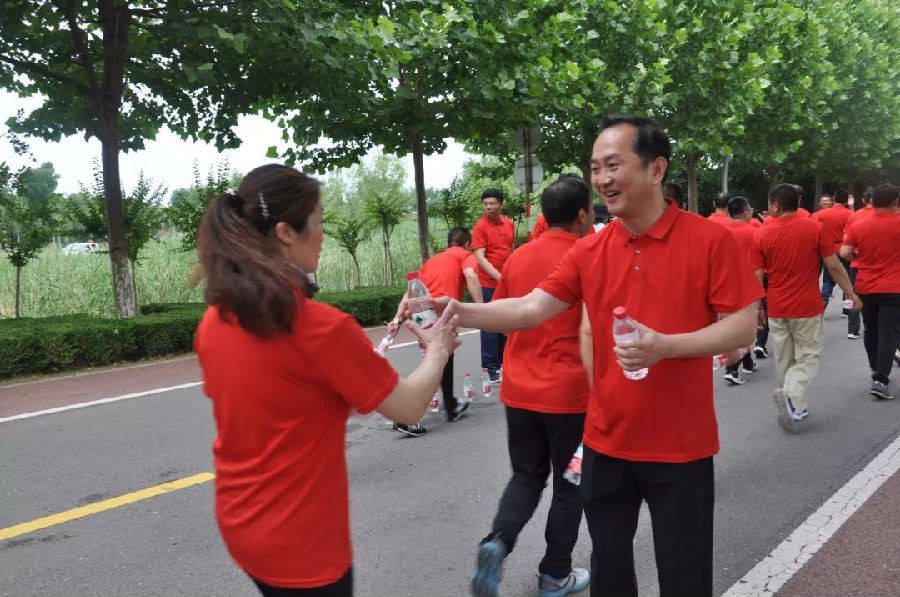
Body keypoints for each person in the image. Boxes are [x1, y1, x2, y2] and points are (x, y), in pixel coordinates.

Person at [439, 115, 762, 597]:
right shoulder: (590, 250)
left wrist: (666, 346)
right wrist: (456, 310)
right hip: (606, 442)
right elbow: (530, 308)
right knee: (608, 574)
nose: (602, 179)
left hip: (681, 444)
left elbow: (742, 325)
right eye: (595, 168)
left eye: (613, 165)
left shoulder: (709, 240)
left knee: (685, 575)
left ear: (656, 169)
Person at [194, 164, 460, 597]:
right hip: (303, 545)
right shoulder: (320, 329)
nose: (322, 236)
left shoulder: (215, 319)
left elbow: (284, 399)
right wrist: (439, 349)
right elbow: (410, 406)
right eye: (318, 224)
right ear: (286, 232)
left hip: (240, 521)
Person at [470, 175, 594, 597]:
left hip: (520, 390)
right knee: (571, 484)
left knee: (526, 476)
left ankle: (497, 542)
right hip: (571, 395)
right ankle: (555, 573)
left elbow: (507, 317)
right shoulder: (590, 255)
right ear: (583, 215)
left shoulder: (519, 257)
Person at [751, 183, 861, 433]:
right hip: (807, 306)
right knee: (808, 356)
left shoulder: (761, 233)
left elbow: (756, 275)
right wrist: (849, 292)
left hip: (777, 306)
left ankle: (795, 406)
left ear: (775, 205)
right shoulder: (814, 228)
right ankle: (791, 395)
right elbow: (833, 266)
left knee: (784, 358)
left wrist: (756, 308)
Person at [389, 227, 484, 436]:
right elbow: (471, 276)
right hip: (441, 314)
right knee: (435, 365)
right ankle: (406, 416)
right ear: (467, 244)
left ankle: (451, 405)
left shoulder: (431, 261)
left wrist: (397, 318)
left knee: (440, 361)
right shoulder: (465, 255)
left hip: (422, 316)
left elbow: (409, 293)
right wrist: (481, 309)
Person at [840, 183, 900, 400]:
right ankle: (881, 379)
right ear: (895, 202)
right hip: (894, 287)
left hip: (865, 285)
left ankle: (875, 369)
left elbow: (844, 252)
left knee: (871, 330)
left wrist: (861, 258)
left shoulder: (859, 223)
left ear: (872, 202)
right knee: (888, 332)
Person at [473, 188, 515, 382]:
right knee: (490, 324)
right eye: (485, 204)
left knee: (506, 321)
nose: (488, 207)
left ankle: (505, 362)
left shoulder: (509, 224)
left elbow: (510, 249)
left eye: (492, 203)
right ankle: (490, 367)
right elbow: (480, 258)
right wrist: (499, 277)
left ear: (501, 205)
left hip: (506, 281)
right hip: (488, 283)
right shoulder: (480, 227)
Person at [722, 196, 760, 385]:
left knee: (735, 325)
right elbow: (760, 265)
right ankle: (732, 368)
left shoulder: (721, 232)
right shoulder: (755, 232)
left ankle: (747, 361)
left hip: (725, 286)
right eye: (750, 209)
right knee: (745, 327)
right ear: (745, 212)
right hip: (748, 286)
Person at [815, 189, 860, 335]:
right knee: (848, 280)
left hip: (828, 249)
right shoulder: (851, 215)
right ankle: (847, 308)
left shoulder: (821, 214)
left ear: (833, 199)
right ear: (846, 201)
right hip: (845, 249)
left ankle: (824, 297)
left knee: (828, 279)